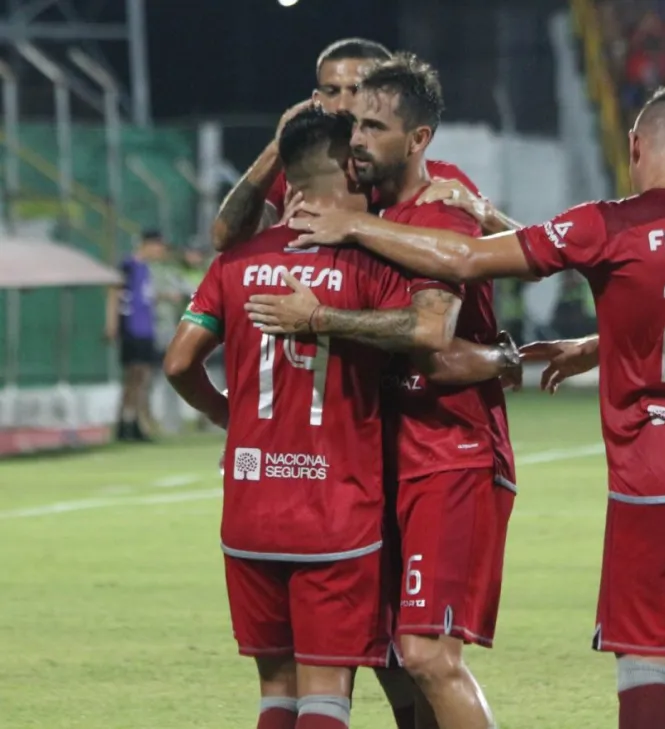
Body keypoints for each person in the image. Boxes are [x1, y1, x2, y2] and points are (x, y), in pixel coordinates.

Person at [284, 84, 665, 729]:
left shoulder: (608, 224)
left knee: (647, 671)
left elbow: (466, 259)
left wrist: (356, 223)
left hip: (659, 481)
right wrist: (602, 344)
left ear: (634, 147)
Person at [164, 109, 515, 729]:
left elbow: (178, 363)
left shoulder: (234, 262)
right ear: (350, 174)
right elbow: (428, 336)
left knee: (277, 688)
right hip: (335, 509)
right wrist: (504, 359)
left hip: (250, 503)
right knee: (327, 689)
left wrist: (229, 416)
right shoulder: (366, 264)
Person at [212, 38, 477, 253]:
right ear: (316, 100)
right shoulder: (305, 174)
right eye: (332, 91)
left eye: (357, 90)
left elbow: (467, 257)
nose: (342, 105)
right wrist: (277, 147)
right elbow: (224, 238)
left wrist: (356, 226)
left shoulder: (438, 181)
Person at [105, 229, 170, 442]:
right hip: (131, 327)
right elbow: (114, 292)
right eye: (158, 246)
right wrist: (112, 323)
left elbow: (144, 295)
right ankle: (125, 421)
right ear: (147, 244)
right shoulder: (128, 265)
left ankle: (136, 421)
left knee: (143, 376)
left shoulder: (147, 269)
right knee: (132, 376)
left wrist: (164, 297)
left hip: (146, 328)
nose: (160, 252)